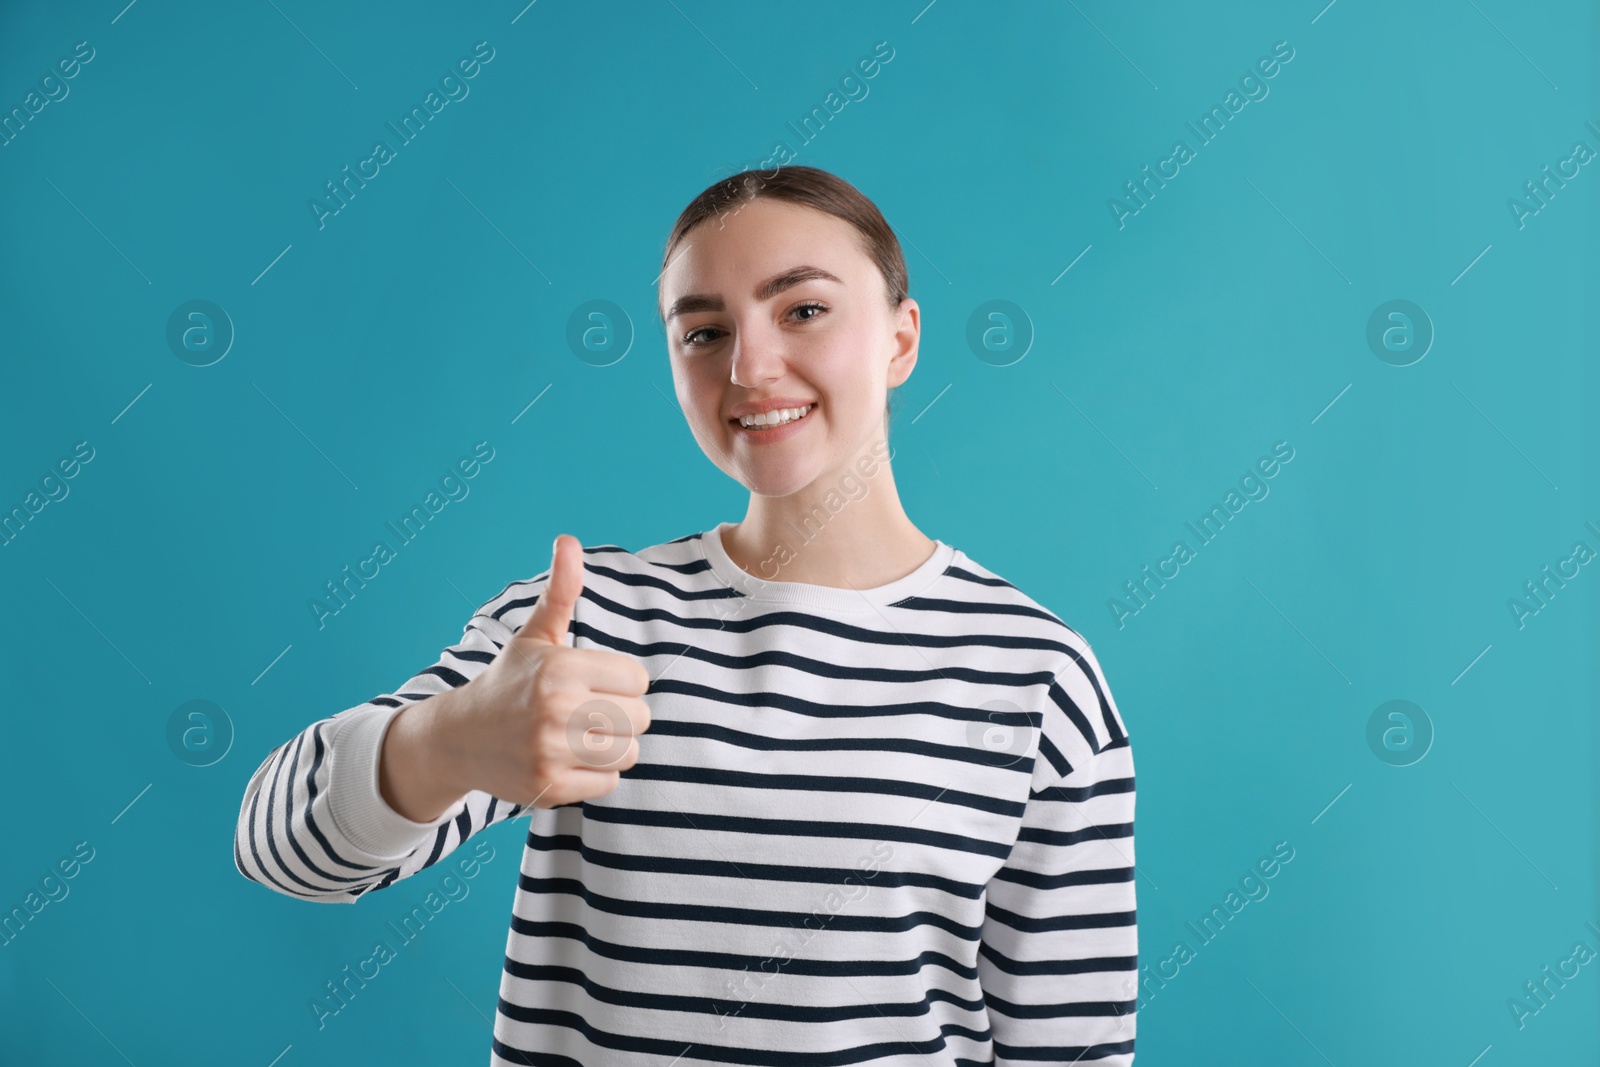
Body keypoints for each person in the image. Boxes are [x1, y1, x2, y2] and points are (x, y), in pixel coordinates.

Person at [234, 165, 1138, 1065]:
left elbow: (1072, 1053)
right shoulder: (582, 623)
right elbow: (279, 848)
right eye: (703, 331)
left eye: (804, 310)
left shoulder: (1035, 677)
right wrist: (453, 738)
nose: (749, 367)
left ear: (901, 339)